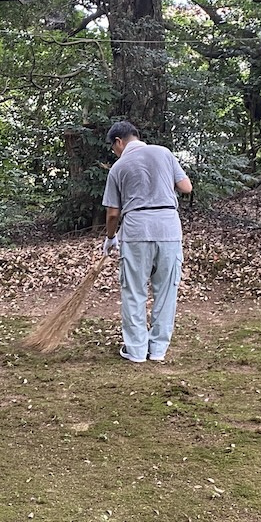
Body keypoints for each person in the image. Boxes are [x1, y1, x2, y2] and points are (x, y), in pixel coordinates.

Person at [101, 120, 192, 363]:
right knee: (166, 291)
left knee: (134, 292)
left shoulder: (118, 168)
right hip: (169, 229)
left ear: (119, 142)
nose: (115, 152)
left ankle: (137, 350)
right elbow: (186, 187)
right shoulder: (164, 153)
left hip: (137, 230)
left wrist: (111, 238)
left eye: (113, 148)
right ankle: (159, 349)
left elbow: (112, 213)